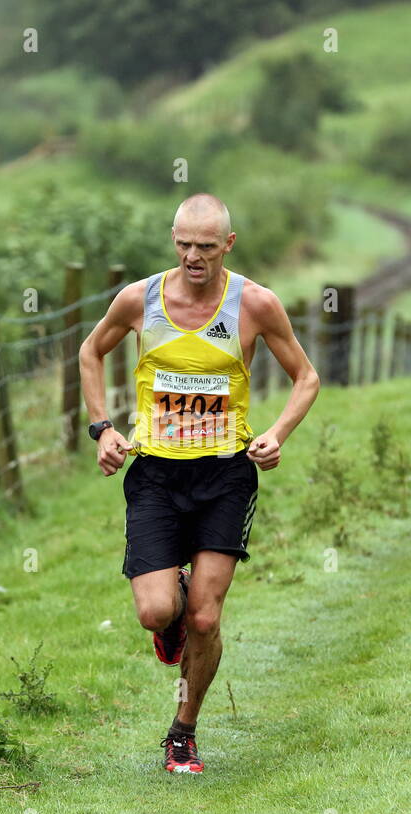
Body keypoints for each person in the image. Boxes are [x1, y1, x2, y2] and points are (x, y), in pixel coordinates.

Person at [77, 193, 320, 773]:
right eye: (184, 244)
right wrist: (102, 429)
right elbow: (90, 352)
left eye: (206, 247)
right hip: (156, 475)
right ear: (173, 239)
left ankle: (182, 731)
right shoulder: (139, 299)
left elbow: (306, 378)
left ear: (227, 246)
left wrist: (277, 434)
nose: (193, 256)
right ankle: (176, 607)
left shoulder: (255, 304)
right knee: (156, 612)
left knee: (206, 618)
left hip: (224, 474)